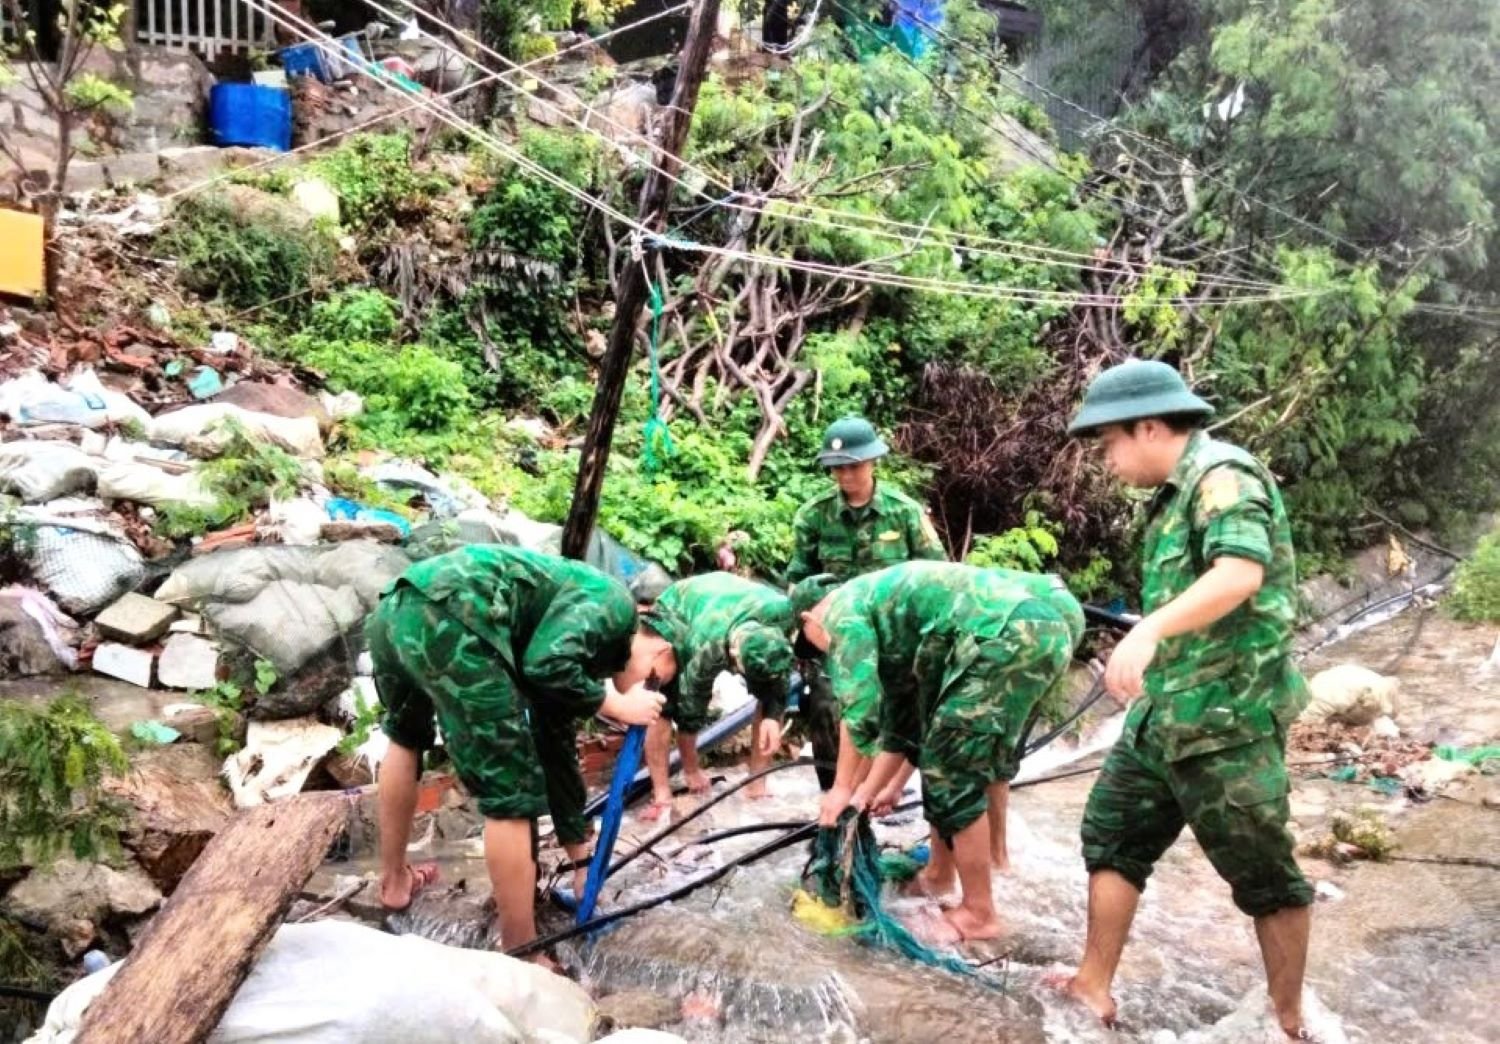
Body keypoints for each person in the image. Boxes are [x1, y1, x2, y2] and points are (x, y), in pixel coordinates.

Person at [1050, 359, 1315, 1038]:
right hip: (1164, 714)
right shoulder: (1174, 495)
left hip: (1229, 719)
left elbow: (1240, 572)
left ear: (1147, 426)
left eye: (1109, 444)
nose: (1107, 461)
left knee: (1264, 874)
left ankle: (1287, 1020)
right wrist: (1153, 648)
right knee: (1112, 835)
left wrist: (1150, 631)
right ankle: (1093, 986)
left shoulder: (1222, 475)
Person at [365, 545, 672, 964]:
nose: (642, 689)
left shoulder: (583, 639)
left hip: (395, 609)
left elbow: (555, 740)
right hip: (455, 615)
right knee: (510, 790)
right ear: (661, 653)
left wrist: (582, 856)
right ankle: (523, 950)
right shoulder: (615, 608)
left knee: (405, 738)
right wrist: (617, 705)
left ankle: (395, 882)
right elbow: (546, 666)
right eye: (652, 682)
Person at [796, 560, 1084, 940]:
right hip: (1041, 629)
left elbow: (860, 706)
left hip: (1001, 637)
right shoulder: (890, 621)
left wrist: (842, 789)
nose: (828, 657)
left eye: (814, 647)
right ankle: (954, 873)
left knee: (951, 770)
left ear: (807, 619)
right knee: (963, 755)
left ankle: (979, 914)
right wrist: (873, 790)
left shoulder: (841, 611)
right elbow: (905, 725)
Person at [781, 415, 946, 794]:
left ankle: (876, 795)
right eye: (836, 469)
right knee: (825, 709)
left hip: (895, 636)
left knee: (891, 712)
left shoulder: (904, 513)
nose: (844, 476)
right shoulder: (814, 515)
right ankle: (834, 799)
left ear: (873, 462)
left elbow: (936, 575)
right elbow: (798, 579)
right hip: (835, 634)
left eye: (852, 466)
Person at [638, 572, 796, 820]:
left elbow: (779, 680)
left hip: (732, 603)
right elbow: (691, 705)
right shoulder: (707, 646)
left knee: (768, 699)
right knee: (663, 697)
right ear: (735, 655)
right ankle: (662, 793)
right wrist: (692, 770)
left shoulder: (785, 616)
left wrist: (773, 716)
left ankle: (757, 785)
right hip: (681, 607)